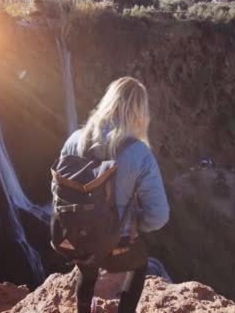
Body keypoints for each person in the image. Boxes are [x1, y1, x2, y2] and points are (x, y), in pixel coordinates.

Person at [55, 77, 170, 313]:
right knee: (140, 265)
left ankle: (84, 309)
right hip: (117, 248)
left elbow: (58, 190)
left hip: (75, 240)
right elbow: (159, 216)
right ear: (140, 113)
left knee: (87, 270)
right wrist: (136, 223)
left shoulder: (74, 140)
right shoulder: (139, 153)